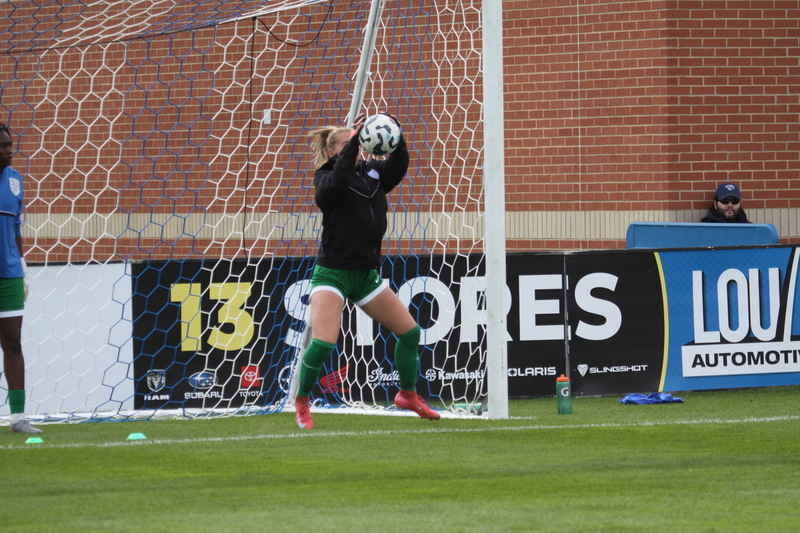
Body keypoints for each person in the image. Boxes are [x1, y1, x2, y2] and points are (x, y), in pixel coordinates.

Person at [294, 113, 440, 429]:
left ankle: (407, 394)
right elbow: (337, 180)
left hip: (365, 276)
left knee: (410, 333)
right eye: (349, 144)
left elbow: (398, 166)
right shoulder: (326, 176)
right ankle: (302, 402)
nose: (357, 148)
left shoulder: (373, 172)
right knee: (323, 343)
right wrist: (352, 144)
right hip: (333, 273)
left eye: (358, 143)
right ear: (333, 151)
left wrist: (396, 134)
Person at [0, 123, 41, 434]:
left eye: (9, 144)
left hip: (10, 274)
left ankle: (18, 419)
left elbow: (15, 228)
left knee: (13, 343)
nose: (9, 150)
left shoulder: (15, 179)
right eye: (3, 146)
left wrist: (23, 266)